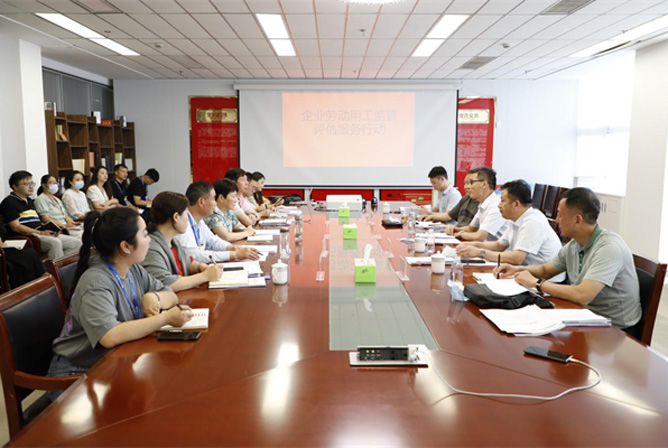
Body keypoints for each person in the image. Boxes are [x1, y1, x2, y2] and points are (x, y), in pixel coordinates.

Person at [47, 207, 194, 378]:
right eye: (145, 235)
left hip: (115, 357)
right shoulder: (96, 281)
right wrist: (164, 319)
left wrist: (154, 297)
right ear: (125, 246)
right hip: (76, 371)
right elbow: (109, 335)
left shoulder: (132, 269)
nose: (150, 240)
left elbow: (170, 294)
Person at [495, 187, 641, 329]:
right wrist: (516, 269)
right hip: (582, 314)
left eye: (560, 215)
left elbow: (583, 295)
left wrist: (537, 283)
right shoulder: (575, 244)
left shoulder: (609, 248)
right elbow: (546, 270)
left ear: (577, 220)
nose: (556, 220)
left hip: (614, 328)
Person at [457, 179, 564, 281]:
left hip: (546, 280)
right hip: (525, 273)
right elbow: (499, 246)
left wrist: (479, 252)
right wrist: (473, 245)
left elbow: (517, 258)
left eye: (502, 201)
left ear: (516, 204)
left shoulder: (532, 221)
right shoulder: (516, 219)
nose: (499, 205)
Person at [141, 191, 223, 291]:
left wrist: (200, 267)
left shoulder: (173, 242)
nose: (188, 220)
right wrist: (205, 276)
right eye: (186, 214)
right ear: (176, 217)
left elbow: (188, 262)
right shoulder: (151, 247)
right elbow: (165, 283)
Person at [0, 170, 81, 259]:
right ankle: (54, 267)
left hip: (40, 232)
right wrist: (40, 232)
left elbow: (37, 222)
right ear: (15, 186)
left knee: (76, 243)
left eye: (32, 183)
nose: (31, 187)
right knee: (55, 243)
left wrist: (51, 229)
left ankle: (60, 265)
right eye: (27, 184)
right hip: (28, 236)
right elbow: (16, 227)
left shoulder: (29, 201)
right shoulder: (9, 202)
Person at [173, 180, 259, 263]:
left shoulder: (199, 221)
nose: (215, 203)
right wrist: (233, 254)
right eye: (214, 199)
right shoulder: (183, 222)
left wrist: (231, 247)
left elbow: (213, 241)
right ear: (201, 202)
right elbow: (194, 256)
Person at [446, 166, 507, 241]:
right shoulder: (483, 204)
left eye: (472, 183)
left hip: (495, 248)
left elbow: (479, 236)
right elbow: (471, 228)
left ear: (484, 184)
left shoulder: (496, 206)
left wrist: (460, 234)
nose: (469, 187)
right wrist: (456, 229)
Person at [0, 215, 44, 289]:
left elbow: (2, 230)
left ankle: (40, 287)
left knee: (30, 252)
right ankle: (25, 290)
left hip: (3, 246)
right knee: (23, 257)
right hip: (2, 251)